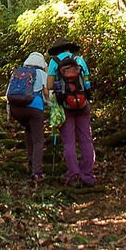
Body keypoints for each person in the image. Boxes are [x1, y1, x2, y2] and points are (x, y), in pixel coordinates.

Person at [46, 38, 96, 187]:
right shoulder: (79, 60)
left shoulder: (54, 61)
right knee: (86, 139)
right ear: (70, 48)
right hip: (82, 103)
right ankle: (88, 176)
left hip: (64, 104)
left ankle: (74, 176)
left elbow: (49, 85)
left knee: (69, 142)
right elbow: (87, 83)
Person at [8, 51, 50, 182]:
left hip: (17, 108)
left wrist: (9, 113)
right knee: (38, 140)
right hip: (34, 108)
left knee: (28, 130)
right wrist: (51, 105)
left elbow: (8, 92)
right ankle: (37, 172)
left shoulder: (18, 72)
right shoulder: (42, 74)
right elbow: (47, 93)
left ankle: (31, 161)